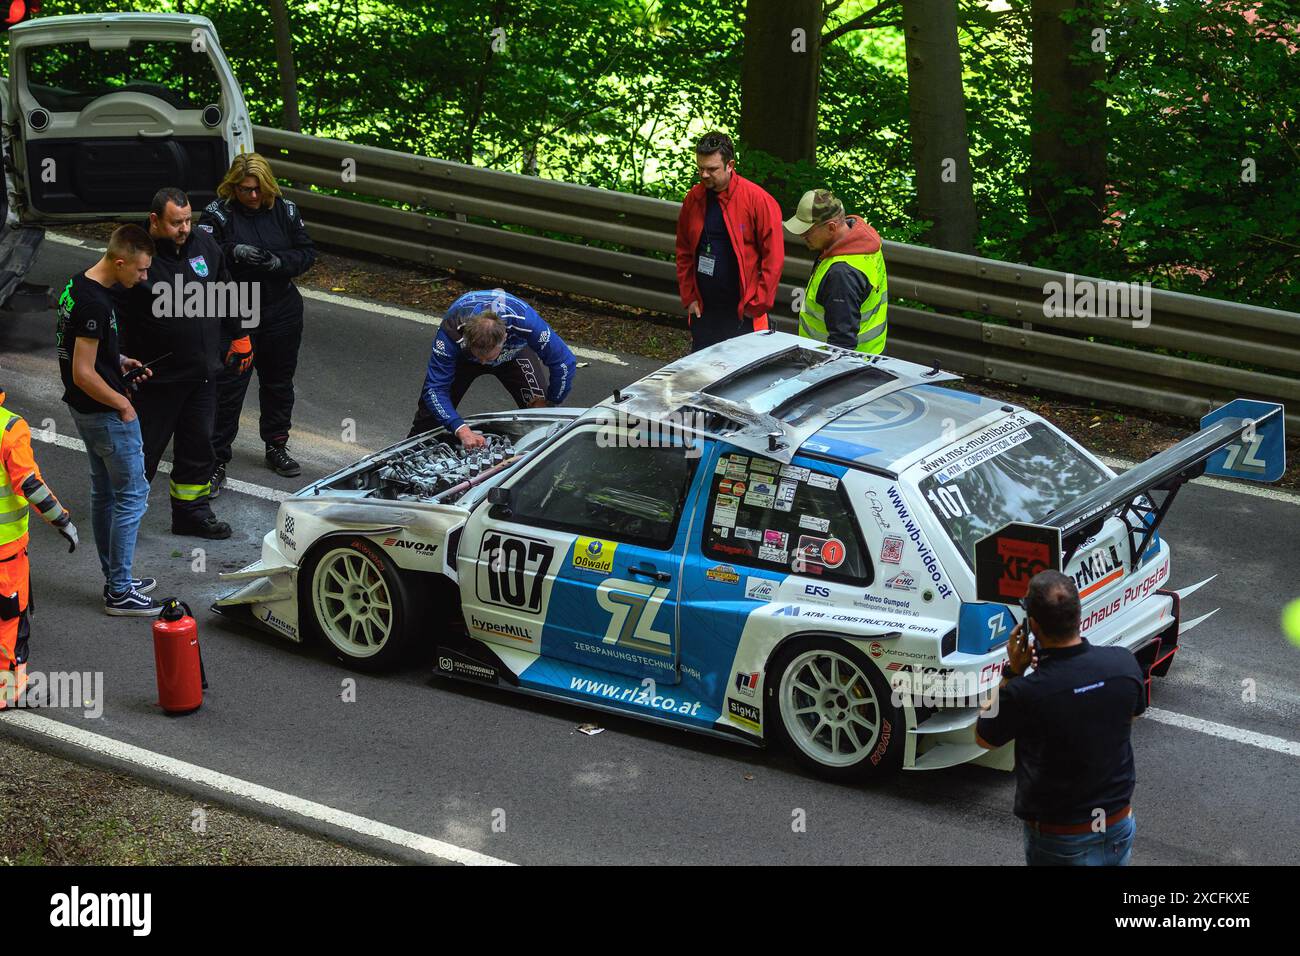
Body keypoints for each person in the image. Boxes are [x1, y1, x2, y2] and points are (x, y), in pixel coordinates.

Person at [975, 570, 1146, 866]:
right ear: (1078, 616)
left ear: (1034, 626)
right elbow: (1129, 717)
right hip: (1118, 824)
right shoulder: (1123, 663)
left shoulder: (1026, 692)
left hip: (1062, 839)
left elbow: (984, 736)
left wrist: (1011, 673)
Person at [115, 187, 250, 540]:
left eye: (189, 220)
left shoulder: (205, 247)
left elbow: (226, 291)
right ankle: (124, 515)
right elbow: (114, 313)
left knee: (198, 447)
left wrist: (240, 335)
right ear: (155, 220)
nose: (185, 228)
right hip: (155, 380)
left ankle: (192, 513)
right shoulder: (137, 257)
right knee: (142, 453)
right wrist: (117, 362)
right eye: (177, 222)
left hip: (202, 376)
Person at [55, 225, 160, 615]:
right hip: (105, 415)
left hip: (84, 410)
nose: (143, 278)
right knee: (132, 497)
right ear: (120, 262)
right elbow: (83, 372)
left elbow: (81, 352)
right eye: (141, 270)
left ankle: (117, 579)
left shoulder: (77, 286)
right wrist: (123, 403)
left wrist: (119, 362)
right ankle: (119, 590)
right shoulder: (96, 305)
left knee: (106, 494)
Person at [204, 153, 317, 491]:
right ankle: (215, 460)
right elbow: (200, 253)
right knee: (229, 388)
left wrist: (276, 262)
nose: (251, 196)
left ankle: (276, 445)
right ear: (233, 187)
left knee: (279, 383)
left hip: (281, 310)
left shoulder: (286, 210)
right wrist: (232, 251)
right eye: (244, 190)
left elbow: (307, 253)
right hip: (236, 311)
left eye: (256, 189)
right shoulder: (217, 213)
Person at [407, 290, 576, 445]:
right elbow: (435, 389)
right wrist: (461, 429)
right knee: (429, 419)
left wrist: (551, 400)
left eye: (487, 357)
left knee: (543, 418)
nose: (482, 362)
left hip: (513, 355)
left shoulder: (526, 322)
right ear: (467, 337)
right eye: (478, 356)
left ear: (504, 338)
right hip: (463, 359)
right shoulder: (452, 328)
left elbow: (564, 363)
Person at [0, 386, 79, 706]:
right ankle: (8, 692)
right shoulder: (9, 428)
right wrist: (62, 520)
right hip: (5, 554)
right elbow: (30, 485)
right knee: (9, 623)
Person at [674, 131, 784, 352]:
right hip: (704, 311)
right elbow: (684, 251)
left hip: (743, 313)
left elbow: (774, 258)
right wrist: (690, 298)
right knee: (702, 374)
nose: (704, 175)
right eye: (700, 168)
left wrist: (757, 305)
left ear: (730, 165)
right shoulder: (694, 198)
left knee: (741, 380)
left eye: (712, 169)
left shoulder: (758, 200)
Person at [783, 188, 889, 353]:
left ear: (831, 227)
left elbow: (842, 345)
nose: (802, 236)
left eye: (808, 231)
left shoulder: (841, 274)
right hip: (870, 358)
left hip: (844, 368)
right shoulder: (864, 243)